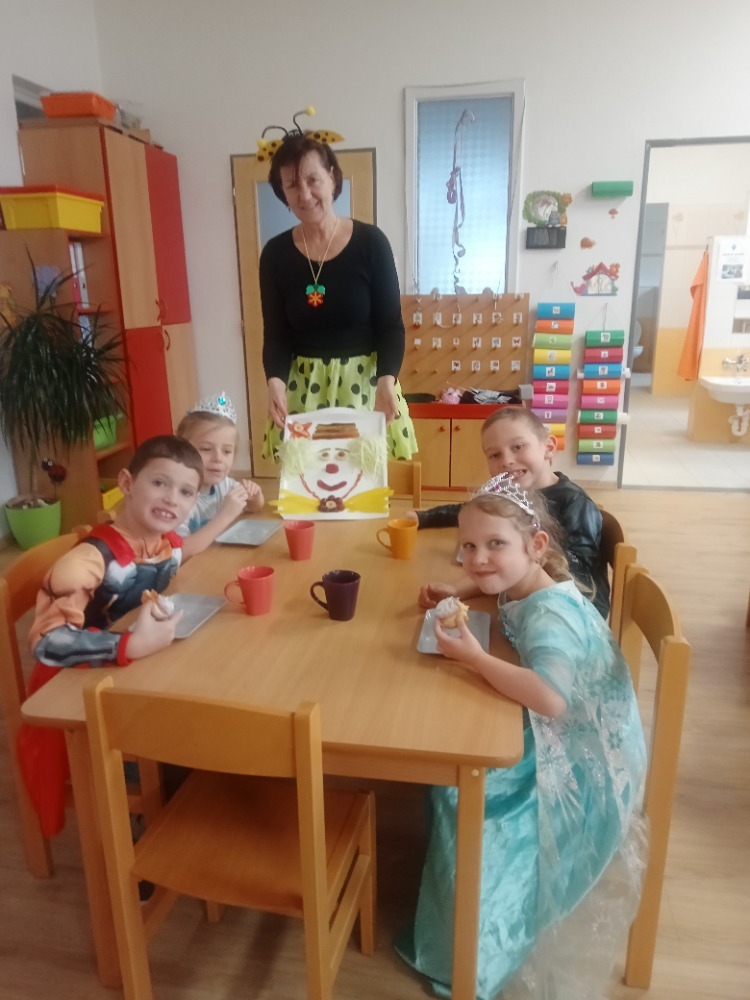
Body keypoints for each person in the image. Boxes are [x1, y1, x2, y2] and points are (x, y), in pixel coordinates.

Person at [397, 474, 647, 1000]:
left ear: (536, 545)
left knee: (455, 784)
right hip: (573, 729)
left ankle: (466, 949)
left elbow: (551, 699)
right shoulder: (526, 579)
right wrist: (462, 588)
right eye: (468, 546)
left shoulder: (551, 617)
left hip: (583, 761)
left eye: (495, 544)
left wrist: (474, 657)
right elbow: (497, 577)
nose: (477, 558)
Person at [18, 435, 203, 838]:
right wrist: (128, 645)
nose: (171, 499)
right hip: (77, 682)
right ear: (126, 483)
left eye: (185, 492)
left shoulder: (165, 544)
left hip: (135, 666)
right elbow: (46, 641)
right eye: (159, 483)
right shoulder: (87, 560)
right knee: (186, 732)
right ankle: (145, 816)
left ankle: (181, 792)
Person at [259, 133, 417, 462]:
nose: (304, 194)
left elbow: (390, 326)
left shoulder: (371, 243)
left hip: (365, 385)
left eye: (312, 179)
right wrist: (275, 381)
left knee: (363, 476)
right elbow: (276, 334)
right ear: (282, 192)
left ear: (332, 177)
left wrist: (387, 380)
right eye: (292, 185)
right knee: (307, 481)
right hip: (304, 389)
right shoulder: (274, 254)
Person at [412, 405, 610, 617]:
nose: (506, 461)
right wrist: (422, 517)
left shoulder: (575, 504)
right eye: (495, 455)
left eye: (518, 447)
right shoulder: (512, 492)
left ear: (549, 447)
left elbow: (582, 590)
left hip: (562, 617)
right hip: (519, 602)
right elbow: (472, 513)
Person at [175, 391, 265, 557]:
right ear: (183, 450)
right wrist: (225, 516)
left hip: (215, 558)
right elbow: (178, 553)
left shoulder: (224, 485)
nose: (218, 458)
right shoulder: (177, 497)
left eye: (226, 451)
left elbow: (254, 507)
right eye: (206, 449)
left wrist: (255, 497)